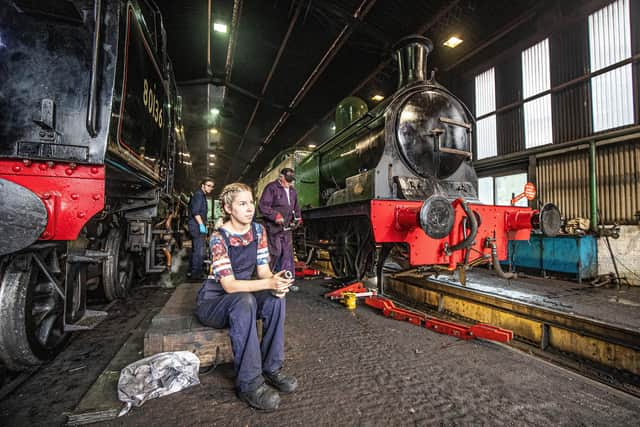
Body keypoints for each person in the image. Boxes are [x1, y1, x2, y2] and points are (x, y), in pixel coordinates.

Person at [195, 182, 297, 411]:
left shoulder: (258, 231)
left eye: (251, 202)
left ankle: (271, 368)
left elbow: (263, 272)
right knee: (244, 300)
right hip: (214, 303)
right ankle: (249, 383)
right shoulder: (218, 238)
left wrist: (276, 283)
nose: (250, 208)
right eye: (242, 204)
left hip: (242, 296)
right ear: (228, 208)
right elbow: (230, 286)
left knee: (274, 298)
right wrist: (267, 283)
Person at [258, 168, 302, 276]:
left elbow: (296, 207)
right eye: (287, 181)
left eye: (291, 181)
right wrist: (275, 215)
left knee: (287, 254)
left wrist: (298, 218)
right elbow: (263, 206)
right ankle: (268, 277)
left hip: (286, 228)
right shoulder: (271, 188)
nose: (289, 183)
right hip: (273, 228)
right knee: (275, 252)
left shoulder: (292, 191)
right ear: (281, 177)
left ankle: (287, 279)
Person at [188, 178, 215, 279]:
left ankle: (192, 272)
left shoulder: (202, 196)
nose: (210, 188)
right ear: (202, 185)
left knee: (196, 249)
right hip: (196, 226)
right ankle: (196, 275)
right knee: (199, 250)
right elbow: (196, 212)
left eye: (212, 186)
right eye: (208, 185)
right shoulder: (199, 195)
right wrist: (201, 225)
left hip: (196, 225)